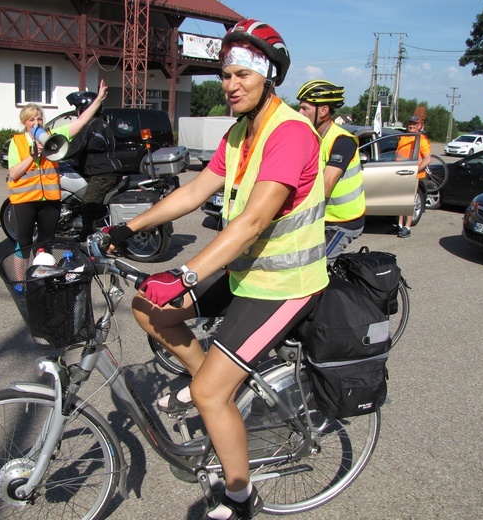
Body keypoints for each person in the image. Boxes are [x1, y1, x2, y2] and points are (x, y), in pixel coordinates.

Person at [104, 19, 327, 520]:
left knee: (206, 391)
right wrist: (125, 228)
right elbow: (191, 192)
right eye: (225, 75)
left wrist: (183, 274)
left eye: (242, 75)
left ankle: (240, 495)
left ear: (268, 75)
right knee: (148, 309)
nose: (230, 86)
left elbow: (251, 222)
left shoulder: (288, 133)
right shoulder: (241, 132)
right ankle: (223, 391)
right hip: (246, 273)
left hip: (285, 285)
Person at [6, 79, 109, 248]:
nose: (36, 123)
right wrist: (33, 156)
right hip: (25, 202)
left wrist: (98, 99)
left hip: (50, 201)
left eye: (39, 119)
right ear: (24, 123)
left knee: (46, 242)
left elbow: (80, 122)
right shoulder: (16, 142)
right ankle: (20, 275)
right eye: (31, 120)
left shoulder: (51, 134)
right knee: (23, 243)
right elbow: (14, 173)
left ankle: (43, 272)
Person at [297, 80, 365, 262]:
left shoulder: (342, 141)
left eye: (305, 109)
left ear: (324, 111)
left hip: (344, 222)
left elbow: (325, 186)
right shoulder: (312, 139)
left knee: (315, 266)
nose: (300, 113)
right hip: (322, 218)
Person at [64, 89, 123, 240]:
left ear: (84, 109)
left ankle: (86, 236)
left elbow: (75, 147)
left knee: (89, 203)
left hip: (101, 174)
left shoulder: (88, 125)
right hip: (111, 170)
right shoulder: (102, 124)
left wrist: (58, 154)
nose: (76, 112)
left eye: (78, 109)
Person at [396, 107, 431, 238]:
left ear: (419, 126)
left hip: (412, 175)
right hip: (399, 173)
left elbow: (428, 159)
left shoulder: (421, 139)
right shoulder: (404, 137)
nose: (411, 126)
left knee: (409, 201)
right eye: (410, 124)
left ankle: (407, 227)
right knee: (400, 201)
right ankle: (399, 225)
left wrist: (415, 169)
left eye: (414, 124)